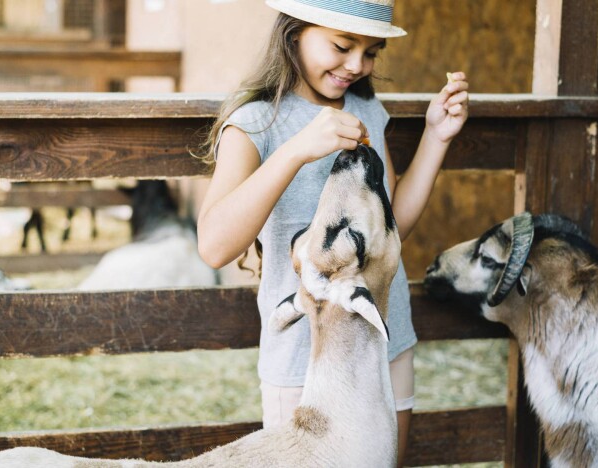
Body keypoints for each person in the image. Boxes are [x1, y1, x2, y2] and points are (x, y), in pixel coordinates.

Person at [196, 0, 469, 465]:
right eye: (343, 46)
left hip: (386, 338)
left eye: (371, 52)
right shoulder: (255, 122)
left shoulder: (367, 107)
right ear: (294, 32)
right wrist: (297, 150)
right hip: (303, 356)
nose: (357, 65)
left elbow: (391, 223)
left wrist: (437, 136)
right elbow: (215, 246)